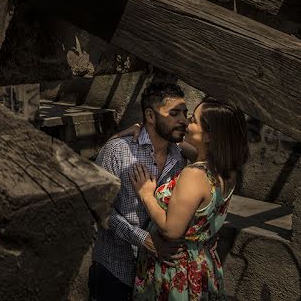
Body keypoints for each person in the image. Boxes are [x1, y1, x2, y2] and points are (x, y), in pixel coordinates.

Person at [130, 98, 249, 300]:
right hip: (202, 264)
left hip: (175, 268)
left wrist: (146, 195)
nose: (186, 122)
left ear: (209, 136)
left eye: (193, 120)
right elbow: (185, 146)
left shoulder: (194, 175)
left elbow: (171, 229)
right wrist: (145, 128)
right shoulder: (226, 170)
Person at [90, 82, 189, 301]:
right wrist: (143, 239)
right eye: (174, 113)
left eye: (185, 113)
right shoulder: (118, 151)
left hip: (156, 276)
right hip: (115, 271)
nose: (183, 120)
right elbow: (97, 207)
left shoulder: (179, 157)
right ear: (150, 116)